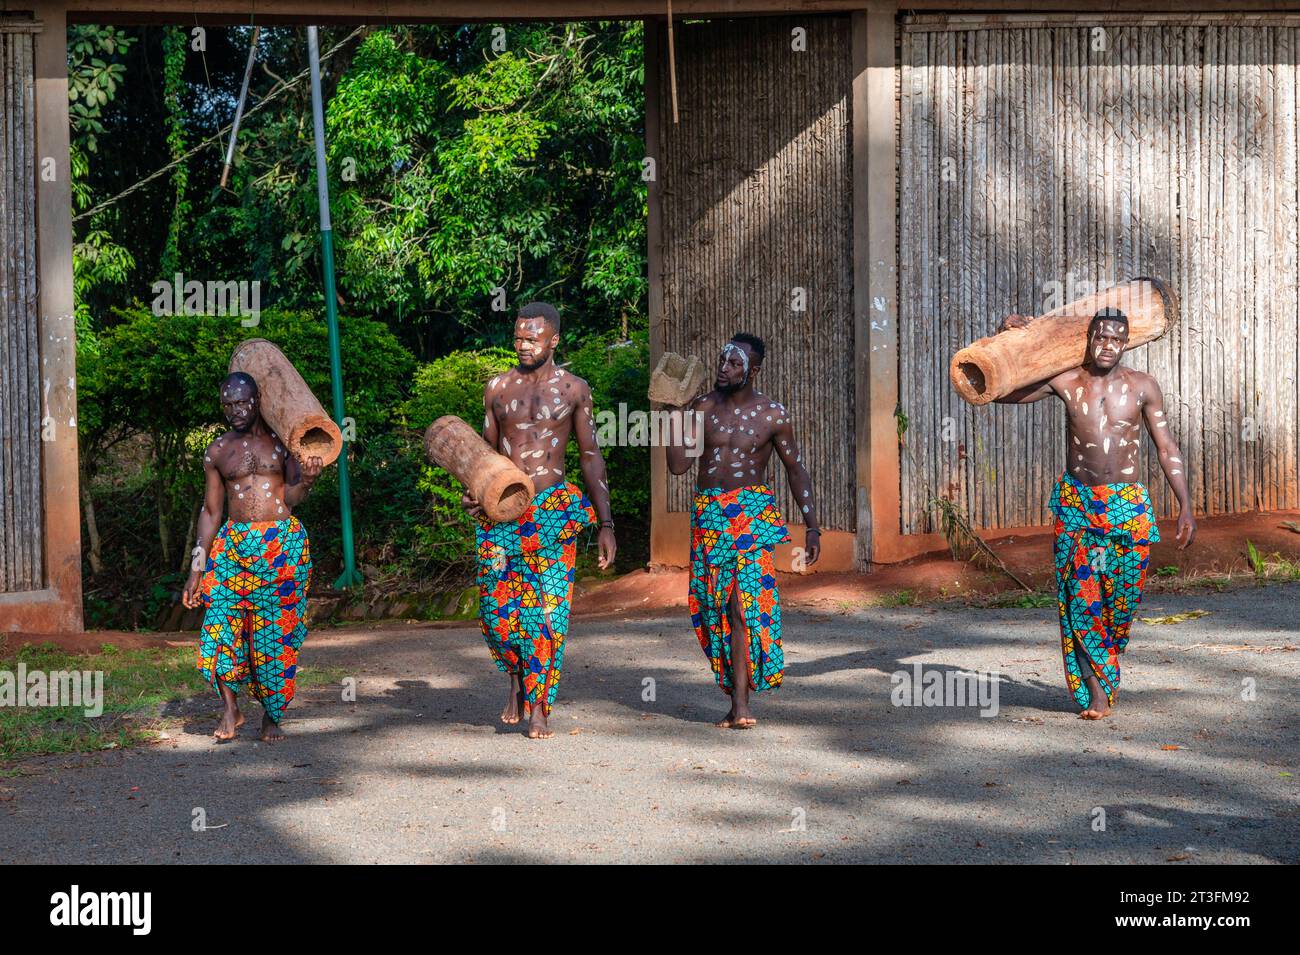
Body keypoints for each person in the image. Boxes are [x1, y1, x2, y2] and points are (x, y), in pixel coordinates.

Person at [994, 306, 1196, 718]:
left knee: (1121, 601)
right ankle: (1096, 692)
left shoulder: (1142, 387)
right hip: (1077, 505)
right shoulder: (1067, 381)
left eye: (1116, 339)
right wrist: (1008, 340)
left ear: (1126, 342)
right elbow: (1004, 392)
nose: (1107, 346)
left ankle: (1106, 667)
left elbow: (1166, 447)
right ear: (1088, 340)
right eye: (1100, 337)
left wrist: (1185, 505)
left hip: (1127, 510)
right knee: (1081, 598)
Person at [465, 302, 617, 740]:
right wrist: (473, 494)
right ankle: (515, 677)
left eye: (532, 338)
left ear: (553, 340)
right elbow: (484, 456)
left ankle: (539, 706)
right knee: (497, 615)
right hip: (503, 510)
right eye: (518, 337)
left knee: (548, 614)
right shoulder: (497, 388)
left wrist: (605, 524)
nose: (523, 344)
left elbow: (590, 455)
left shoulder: (573, 389)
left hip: (551, 509)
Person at [661, 333, 820, 728]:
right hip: (709, 515)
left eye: (734, 363)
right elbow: (678, 466)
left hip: (750, 513)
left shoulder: (773, 415)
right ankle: (735, 700)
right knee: (711, 604)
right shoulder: (701, 409)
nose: (724, 368)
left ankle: (744, 706)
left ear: (754, 370)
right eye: (722, 361)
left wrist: (812, 525)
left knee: (742, 604)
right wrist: (672, 411)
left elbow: (795, 469)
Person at [182, 372, 322, 741]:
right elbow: (211, 512)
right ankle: (231, 709)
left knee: (273, 635)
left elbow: (291, 498)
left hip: (280, 545)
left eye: (242, 402)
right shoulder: (218, 451)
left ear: (257, 399)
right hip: (233, 547)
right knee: (217, 626)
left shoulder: (284, 444)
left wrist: (306, 480)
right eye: (229, 405)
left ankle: (271, 715)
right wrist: (197, 568)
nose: (236, 411)